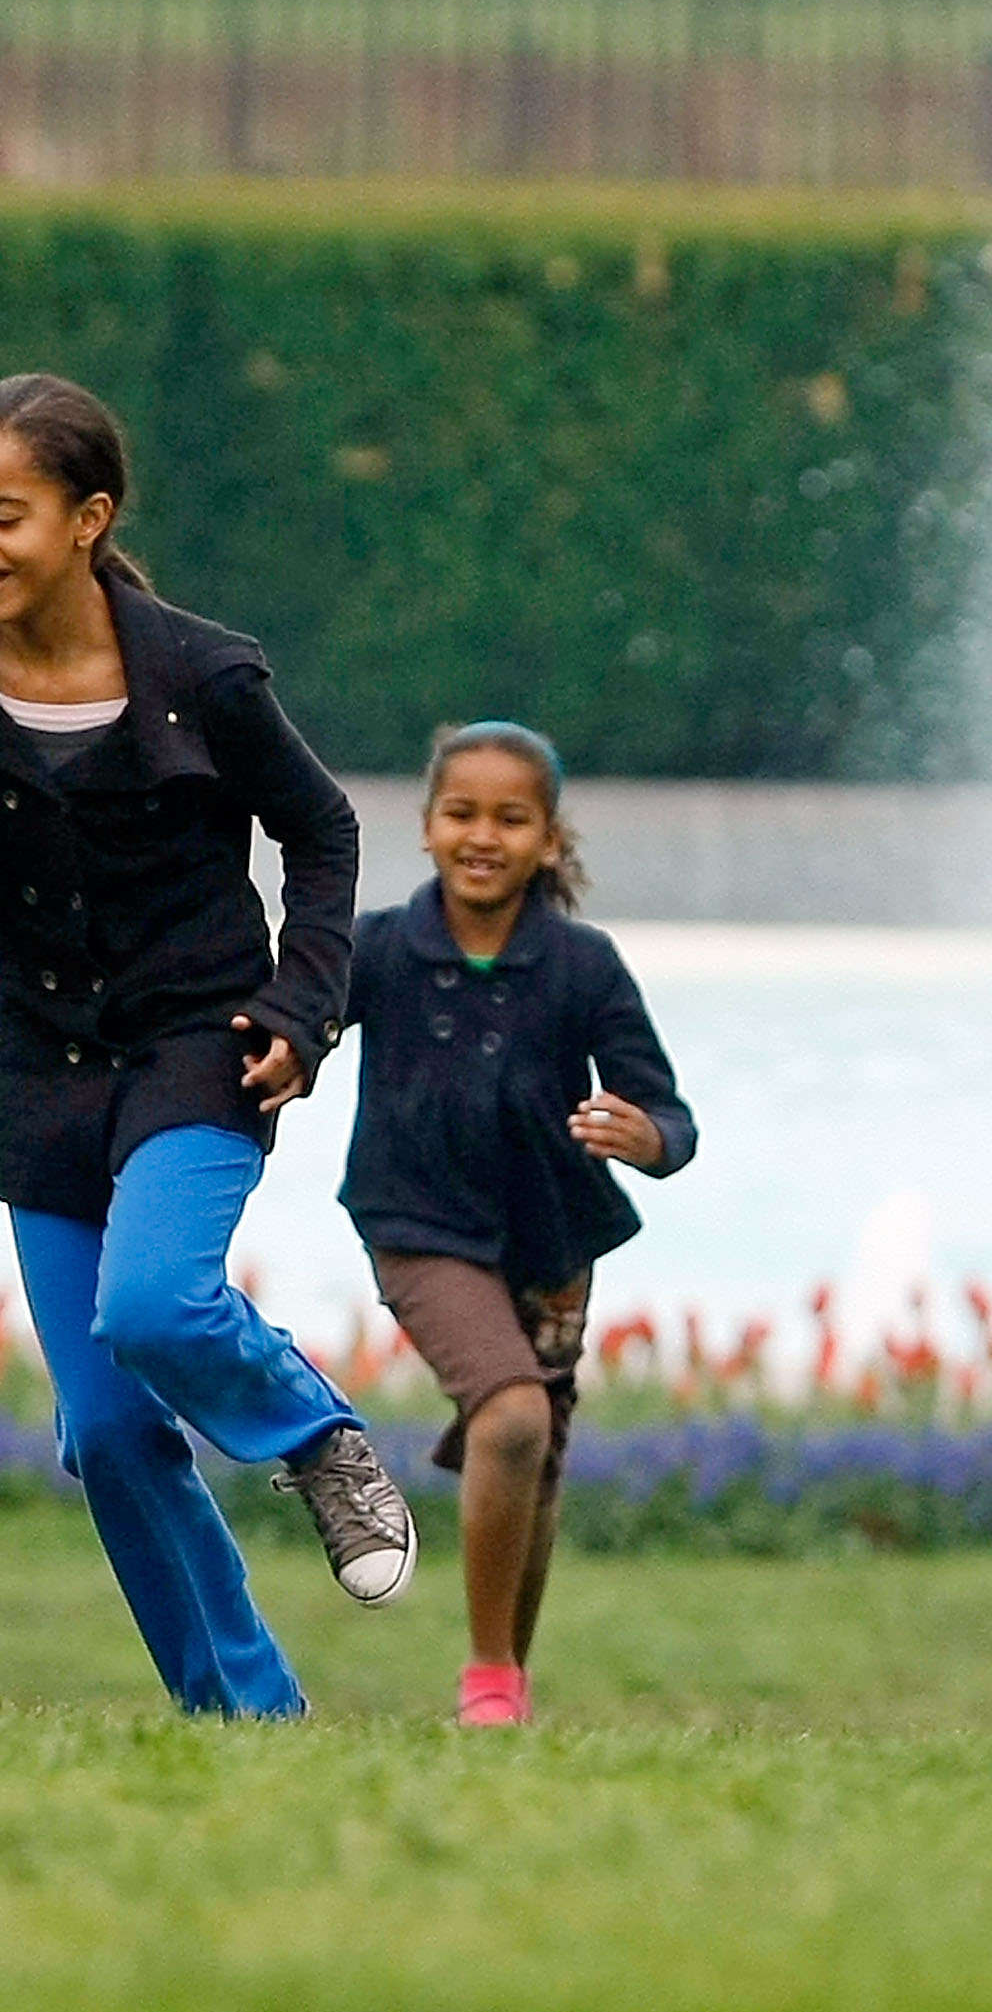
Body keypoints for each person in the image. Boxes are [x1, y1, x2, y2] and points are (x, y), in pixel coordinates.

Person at [0, 372, 414, 1719]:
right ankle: (248, 1713)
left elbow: (326, 832)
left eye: (7, 513)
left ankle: (314, 1432)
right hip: (42, 1056)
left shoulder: (204, 672)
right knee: (112, 1430)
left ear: (88, 516)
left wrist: (307, 1005)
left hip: (198, 1038)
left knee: (156, 1304)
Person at [340, 721, 696, 1728]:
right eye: (462, 812)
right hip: (415, 1222)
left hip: (551, 1243)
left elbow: (668, 1112)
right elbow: (298, 1018)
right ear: (426, 828)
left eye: (510, 816)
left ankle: (506, 1687)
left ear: (548, 837)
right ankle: (489, 1675)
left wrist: (646, 1134)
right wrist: (279, 1062)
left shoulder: (584, 965)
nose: (482, 835)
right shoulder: (384, 947)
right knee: (513, 1416)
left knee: (529, 1454)